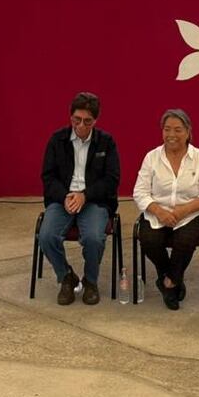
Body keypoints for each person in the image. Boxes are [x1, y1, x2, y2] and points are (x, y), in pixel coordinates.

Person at [39, 92, 120, 306]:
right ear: (70, 117)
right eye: (77, 120)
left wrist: (85, 195)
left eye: (87, 121)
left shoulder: (106, 142)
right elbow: (48, 177)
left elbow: (112, 180)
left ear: (96, 120)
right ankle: (66, 277)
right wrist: (64, 196)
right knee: (46, 236)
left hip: (93, 200)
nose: (81, 125)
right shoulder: (57, 140)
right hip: (62, 199)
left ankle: (90, 281)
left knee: (94, 238)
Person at [134, 109, 199, 310]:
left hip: (192, 213)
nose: (171, 135)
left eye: (178, 130)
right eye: (167, 129)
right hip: (158, 213)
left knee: (185, 240)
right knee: (149, 240)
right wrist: (159, 211)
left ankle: (170, 282)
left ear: (188, 132)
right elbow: (140, 192)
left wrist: (184, 210)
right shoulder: (151, 157)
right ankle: (169, 275)